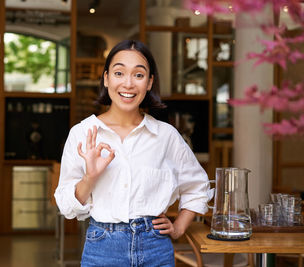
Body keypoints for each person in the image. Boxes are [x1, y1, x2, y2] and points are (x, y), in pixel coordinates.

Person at [54, 39, 211, 267]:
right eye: (119, 73)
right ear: (106, 78)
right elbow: (66, 207)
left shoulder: (165, 136)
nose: (128, 84)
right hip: (102, 248)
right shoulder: (82, 134)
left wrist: (178, 228)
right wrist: (90, 178)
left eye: (138, 75)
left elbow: (197, 187)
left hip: (156, 248)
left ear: (149, 83)